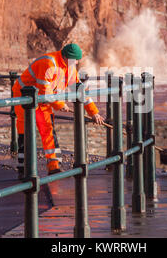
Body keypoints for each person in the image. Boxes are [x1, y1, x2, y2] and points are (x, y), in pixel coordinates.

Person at [12, 43, 104, 178]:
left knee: (48, 128)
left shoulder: (70, 68)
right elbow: (45, 90)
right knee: (25, 131)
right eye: (75, 60)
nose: (77, 62)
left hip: (41, 99)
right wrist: (60, 104)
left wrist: (93, 112)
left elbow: (80, 91)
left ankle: (54, 166)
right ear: (66, 57)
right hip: (23, 97)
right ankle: (24, 168)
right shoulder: (49, 64)